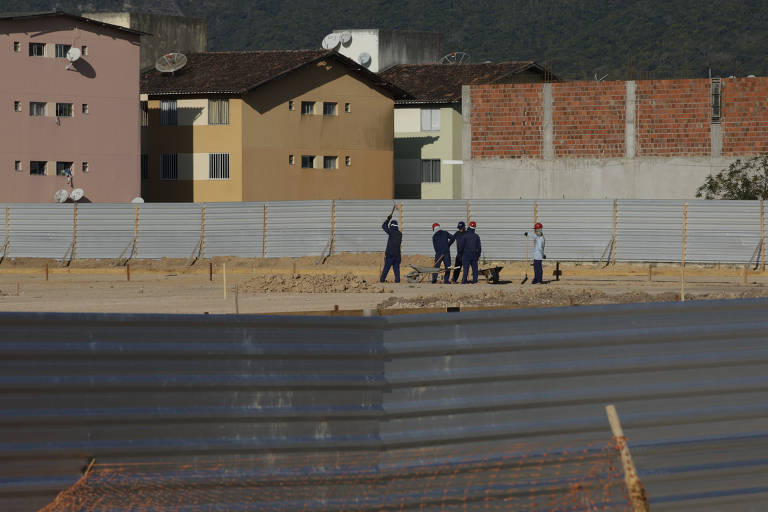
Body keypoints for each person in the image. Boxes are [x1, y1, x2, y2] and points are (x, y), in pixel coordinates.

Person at [380, 209, 402, 283]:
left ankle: (382, 280)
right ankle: (397, 282)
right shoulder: (400, 234)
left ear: (391, 226)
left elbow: (383, 226)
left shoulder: (391, 232)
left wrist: (388, 219)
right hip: (397, 255)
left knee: (386, 268)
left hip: (390, 255)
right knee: (396, 269)